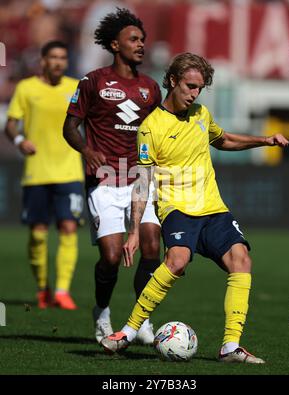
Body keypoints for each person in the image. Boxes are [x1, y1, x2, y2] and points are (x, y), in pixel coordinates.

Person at [101, 52, 289, 363]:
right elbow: (143, 180)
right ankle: (129, 331)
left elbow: (223, 140)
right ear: (173, 81)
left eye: (200, 88)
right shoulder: (151, 128)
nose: (195, 93)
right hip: (177, 208)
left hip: (213, 208)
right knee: (177, 259)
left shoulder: (201, 114)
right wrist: (134, 230)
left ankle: (230, 347)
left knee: (241, 259)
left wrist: (265, 140)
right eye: (190, 86)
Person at [63, 8, 161, 345]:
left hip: (139, 179)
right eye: (133, 39)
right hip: (104, 180)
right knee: (111, 256)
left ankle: (141, 318)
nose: (141, 44)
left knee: (151, 246)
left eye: (142, 39)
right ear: (114, 44)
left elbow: (158, 133)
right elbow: (70, 127)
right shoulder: (92, 82)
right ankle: (102, 312)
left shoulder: (151, 88)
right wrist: (87, 151)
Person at [5, 41, 84, 310]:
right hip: (37, 172)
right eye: (53, 57)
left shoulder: (76, 87)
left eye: (63, 57)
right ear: (43, 60)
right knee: (38, 234)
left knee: (69, 227)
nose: (58, 62)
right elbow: (11, 124)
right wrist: (19, 142)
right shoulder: (27, 88)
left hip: (70, 171)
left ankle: (62, 291)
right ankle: (42, 288)